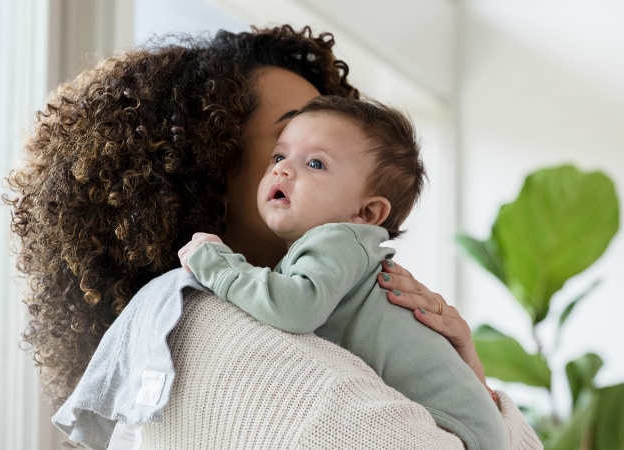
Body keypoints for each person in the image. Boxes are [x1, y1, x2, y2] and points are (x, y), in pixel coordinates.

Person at [5, 25, 540, 449]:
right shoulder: (217, 331)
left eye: (318, 159)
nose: (286, 170)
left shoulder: (291, 297)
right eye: (281, 148)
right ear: (202, 167)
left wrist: (464, 372)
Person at [175, 95, 506, 449]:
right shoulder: (339, 253)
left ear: (365, 214)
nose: (282, 169)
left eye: (315, 163)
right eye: (279, 155)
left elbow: (295, 309)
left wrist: (218, 264)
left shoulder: (338, 240)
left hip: (453, 427)